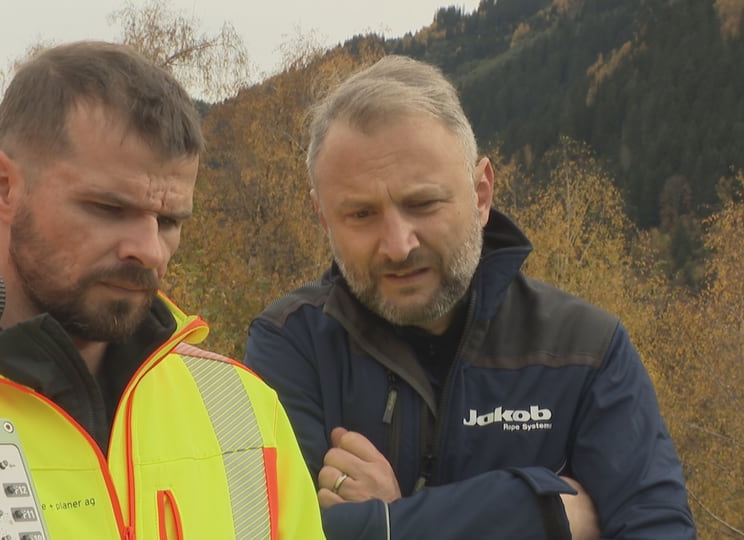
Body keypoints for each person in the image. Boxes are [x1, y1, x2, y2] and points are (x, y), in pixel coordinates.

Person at [244, 55, 696, 539]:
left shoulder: (584, 351)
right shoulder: (292, 345)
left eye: (422, 204)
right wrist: (536, 513)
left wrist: (385, 524)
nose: (398, 245)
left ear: (481, 195)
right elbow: (266, 532)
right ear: (323, 217)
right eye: (360, 214)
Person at [0, 41, 324, 539]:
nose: (150, 250)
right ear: (3, 187)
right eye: (109, 209)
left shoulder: (243, 408)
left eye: (170, 220)